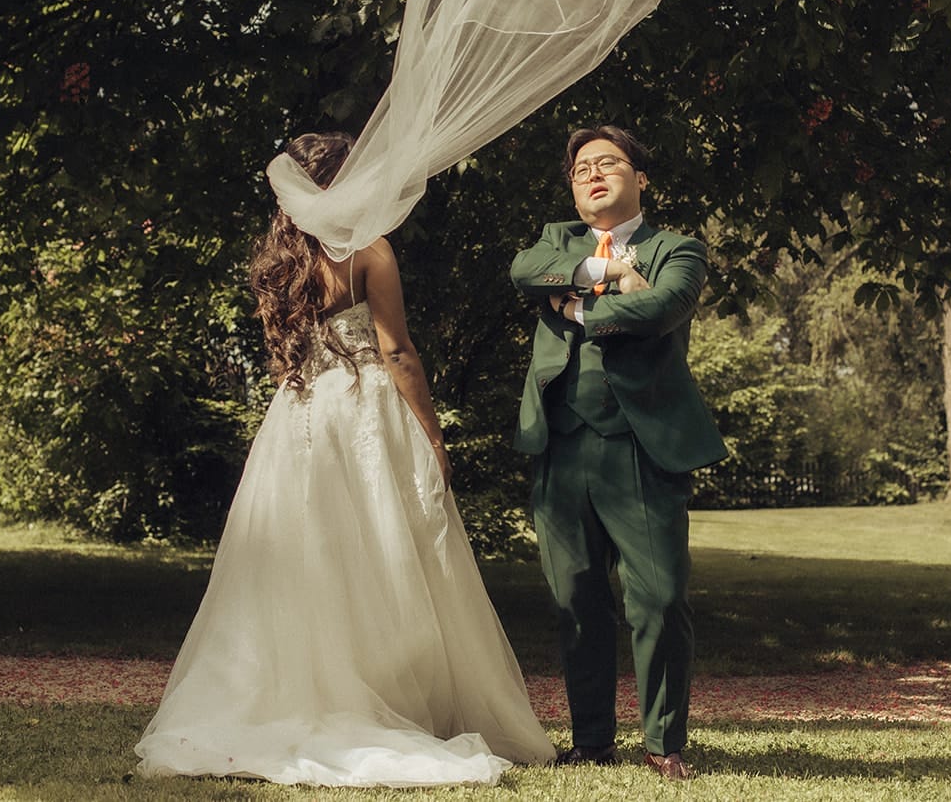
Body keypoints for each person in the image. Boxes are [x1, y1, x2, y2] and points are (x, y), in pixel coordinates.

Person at [136, 133, 555, 787]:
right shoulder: (369, 251)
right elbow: (398, 352)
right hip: (365, 410)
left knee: (303, 555)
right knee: (383, 551)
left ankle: (298, 688)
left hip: (299, 415)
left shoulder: (277, 263)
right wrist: (434, 438)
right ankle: (386, 696)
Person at [511, 125, 727, 781]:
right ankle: (592, 739)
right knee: (575, 594)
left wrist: (575, 309)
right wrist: (605, 272)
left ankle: (664, 740)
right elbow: (523, 272)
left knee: (659, 597)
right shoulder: (555, 243)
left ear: (640, 178)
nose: (592, 175)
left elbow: (660, 308)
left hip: (641, 443)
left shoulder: (676, 248)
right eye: (581, 169)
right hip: (560, 440)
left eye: (607, 163)